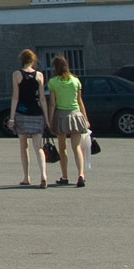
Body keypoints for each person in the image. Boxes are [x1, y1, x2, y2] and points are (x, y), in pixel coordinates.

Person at [7, 49, 50, 188]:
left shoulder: (17, 74)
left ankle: (26, 177)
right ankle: (43, 175)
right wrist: (47, 118)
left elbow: (15, 97)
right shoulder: (39, 75)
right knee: (38, 147)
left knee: (23, 147)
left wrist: (12, 118)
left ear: (22, 59)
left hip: (22, 113)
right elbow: (42, 98)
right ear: (33, 60)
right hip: (37, 113)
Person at [47, 55, 90, 187]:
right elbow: (80, 101)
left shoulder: (53, 82)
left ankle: (64, 176)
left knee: (62, 147)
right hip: (76, 115)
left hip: (61, 116)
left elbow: (53, 104)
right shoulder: (75, 81)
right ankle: (81, 175)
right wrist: (86, 119)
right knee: (77, 147)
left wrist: (50, 120)